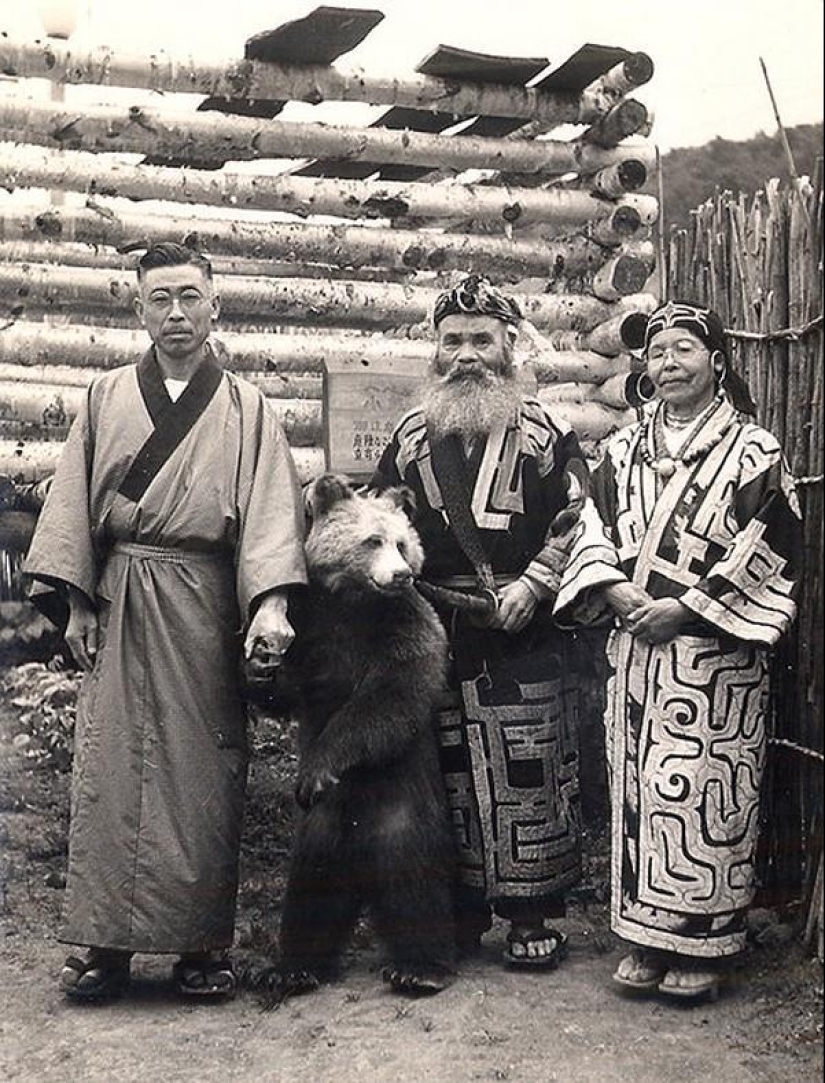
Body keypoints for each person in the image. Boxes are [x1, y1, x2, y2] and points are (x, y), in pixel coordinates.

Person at [24, 242, 307, 1001]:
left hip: (205, 600)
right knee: (112, 764)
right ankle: (104, 947)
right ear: (137, 308)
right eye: (160, 298)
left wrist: (270, 603)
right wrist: (78, 600)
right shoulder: (104, 395)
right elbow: (74, 504)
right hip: (119, 593)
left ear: (216, 304)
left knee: (203, 769)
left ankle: (197, 946)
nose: (175, 313)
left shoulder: (247, 408)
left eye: (189, 296)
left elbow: (272, 517)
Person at [558, 299, 802, 1000]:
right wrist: (610, 588)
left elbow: (770, 547)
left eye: (683, 351)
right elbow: (590, 524)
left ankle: (703, 941)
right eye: (656, 352)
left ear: (717, 363)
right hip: (634, 649)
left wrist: (689, 606)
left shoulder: (754, 450)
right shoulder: (623, 446)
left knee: (703, 791)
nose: (667, 363)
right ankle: (641, 934)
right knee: (640, 789)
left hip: (714, 655)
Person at [370, 273, 612, 968]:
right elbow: (387, 517)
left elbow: (576, 513)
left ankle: (531, 911)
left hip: (524, 629)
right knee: (443, 773)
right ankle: (461, 910)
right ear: (434, 350)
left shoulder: (546, 431)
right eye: (452, 340)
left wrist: (536, 584)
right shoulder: (410, 436)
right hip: (437, 624)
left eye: (482, 339)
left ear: (509, 345)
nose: (466, 354)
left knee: (528, 768)